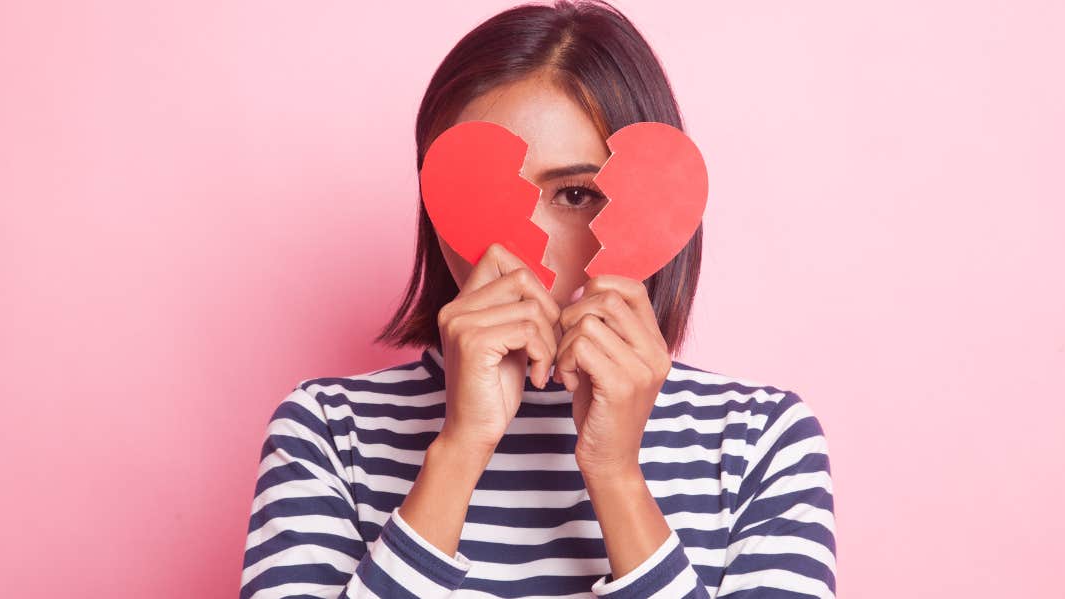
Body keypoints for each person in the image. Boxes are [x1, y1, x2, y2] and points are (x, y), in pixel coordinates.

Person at [239, 1, 836, 597]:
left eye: (576, 195)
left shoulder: (760, 439)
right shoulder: (327, 431)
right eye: (481, 192)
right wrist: (459, 449)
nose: (528, 249)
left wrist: (617, 476)